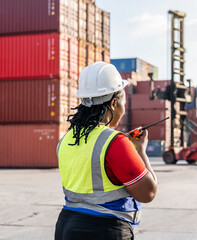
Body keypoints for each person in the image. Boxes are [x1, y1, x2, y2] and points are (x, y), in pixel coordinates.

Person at [55, 62, 158, 240]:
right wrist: (141, 151)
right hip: (104, 230)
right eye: (123, 104)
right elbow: (148, 192)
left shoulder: (65, 141)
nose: (123, 110)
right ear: (113, 103)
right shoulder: (115, 142)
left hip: (66, 227)